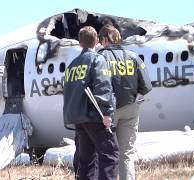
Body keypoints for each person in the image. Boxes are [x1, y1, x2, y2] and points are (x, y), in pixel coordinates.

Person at [63, 26, 119, 180]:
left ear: (80, 43)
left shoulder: (72, 65)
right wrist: (107, 113)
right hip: (95, 116)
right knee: (109, 154)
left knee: (86, 161)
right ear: (97, 41)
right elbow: (103, 87)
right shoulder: (97, 59)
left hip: (79, 119)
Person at [97, 24, 152, 180]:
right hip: (130, 108)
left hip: (108, 111)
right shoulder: (133, 56)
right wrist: (135, 99)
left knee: (107, 152)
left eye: (101, 40)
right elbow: (146, 85)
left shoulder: (99, 58)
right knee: (126, 153)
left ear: (105, 39)